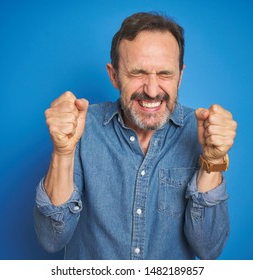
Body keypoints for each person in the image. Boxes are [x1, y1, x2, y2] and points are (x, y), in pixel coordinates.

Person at [34, 12, 237, 260]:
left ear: (180, 76)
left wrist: (213, 161)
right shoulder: (81, 128)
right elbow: (51, 239)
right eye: (137, 73)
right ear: (114, 75)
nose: (152, 91)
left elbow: (209, 249)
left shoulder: (202, 132)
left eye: (165, 74)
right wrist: (63, 152)